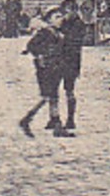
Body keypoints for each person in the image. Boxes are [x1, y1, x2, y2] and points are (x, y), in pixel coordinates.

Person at [19, 9, 71, 138]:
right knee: (47, 96)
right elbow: (31, 46)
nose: (61, 19)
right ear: (49, 19)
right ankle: (27, 119)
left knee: (53, 97)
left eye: (61, 17)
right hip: (46, 68)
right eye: (57, 17)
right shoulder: (45, 33)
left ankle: (56, 124)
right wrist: (40, 57)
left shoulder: (57, 33)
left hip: (56, 67)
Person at [56, 0, 87, 132]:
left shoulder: (79, 24)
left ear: (74, 11)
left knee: (69, 90)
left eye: (68, 11)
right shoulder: (63, 23)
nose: (66, 14)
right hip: (58, 60)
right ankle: (55, 119)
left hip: (71, 61)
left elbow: (75, 42)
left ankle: (70, 119)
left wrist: (61, 37)